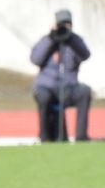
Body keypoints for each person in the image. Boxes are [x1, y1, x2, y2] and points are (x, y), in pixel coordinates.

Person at [32, 9, 93, 142]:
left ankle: (81, 136)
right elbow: (36, 59)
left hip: (69, 87)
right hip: (47, 87)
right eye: (61, 25)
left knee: (84, 92)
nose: (63, 28)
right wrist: (51, 39)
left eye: (67, 24)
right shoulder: (46, 40)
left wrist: (71, 39)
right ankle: (44, 136)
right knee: (43, 96)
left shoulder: (75, 41)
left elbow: (85, 55)